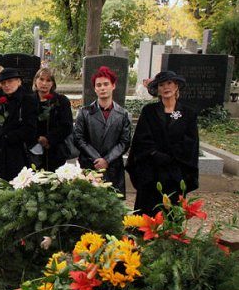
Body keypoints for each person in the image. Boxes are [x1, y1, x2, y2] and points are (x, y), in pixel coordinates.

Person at [126, 71, 199, 215]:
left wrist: (171, 156)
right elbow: (141, 138)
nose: (166, 87)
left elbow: (190, 142)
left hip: (175, 173)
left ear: (176, 86)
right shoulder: (149, 111)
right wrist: (155, 154)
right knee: (148, 215)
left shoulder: (188, 114)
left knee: (171, 215)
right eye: (161, 85)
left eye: (169, 83)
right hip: (152, 172)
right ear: (157, 89)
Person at [73, 66, 132, 197]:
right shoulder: (84, 112)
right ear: (95, 89)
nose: (102, 88)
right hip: (89, 165)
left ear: (113, 86)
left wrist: (107, 160)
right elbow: (79, 138)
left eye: (106, 84)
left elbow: (125, 142)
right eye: (98, 85)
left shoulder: (123, 115)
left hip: (113, 168)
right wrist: (97, 158)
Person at [0, 67, 38, 181]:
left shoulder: (28, 100)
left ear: (19, 81)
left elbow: (30, 129)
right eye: (3, 82)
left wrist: (9, 136)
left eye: (10, 81)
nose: (7, 85)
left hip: (17, 152)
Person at [32, 67, 73, 171]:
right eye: (41, 79)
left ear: (53, 84)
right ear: (35, 81)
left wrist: (48, 139)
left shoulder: (61, 101)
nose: (44, 83)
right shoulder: (28, 100)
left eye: (48, 80)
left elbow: (66, 126)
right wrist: (37, 138)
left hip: (55, 151)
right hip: (32, 151)